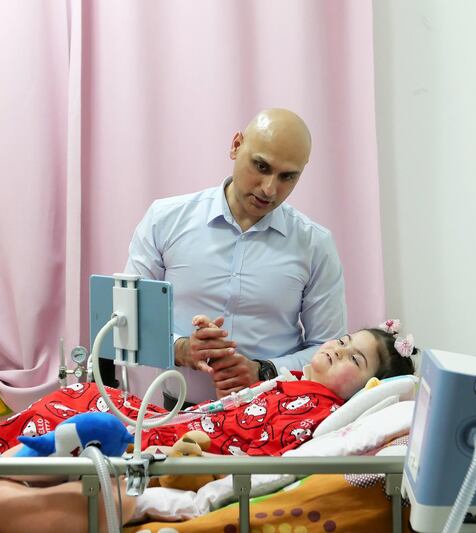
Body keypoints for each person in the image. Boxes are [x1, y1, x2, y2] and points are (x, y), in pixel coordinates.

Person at [0, 322, 416, 532]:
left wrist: (200, 451)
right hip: (176, 422)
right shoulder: (291, 382)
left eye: (354, 359)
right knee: (82, 396)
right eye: (341, 341)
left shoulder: (319, 412)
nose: (338, 351)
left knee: (81, 403)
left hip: (178, 446)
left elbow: (261, 458)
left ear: (368, 388)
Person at [122, 108, 347, 408]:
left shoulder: (315, 244)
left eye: (287, 176)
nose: (269, 189)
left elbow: (328, 348)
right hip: (176, 416)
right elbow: (127, 320)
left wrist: (263, 371)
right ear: (236, 145)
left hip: (274, 417)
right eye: (261, 166)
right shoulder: (165, 220)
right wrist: (181, 348)